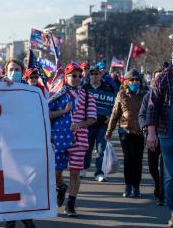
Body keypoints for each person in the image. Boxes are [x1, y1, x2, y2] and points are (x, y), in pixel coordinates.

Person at [49, 62, 97, 217]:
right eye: (73, 75)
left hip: (79, 139)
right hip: (60, 138)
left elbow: (92, 118)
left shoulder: (88, 95)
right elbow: (48, 115)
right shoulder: (58, 94)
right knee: (56, 172)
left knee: (75, 173)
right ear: (66, 77)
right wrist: (63, 111)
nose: (77, 78)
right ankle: (61, 187)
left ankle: (71, 204)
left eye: (79, 75)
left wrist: (79, 125)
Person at [0, 59, 37, 228]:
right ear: (5, 72)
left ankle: (27, 218)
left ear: (22, 72)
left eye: (17, 69)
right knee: (8, 183)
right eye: (10, 69)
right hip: (5, 144)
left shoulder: (32, 91)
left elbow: (40, 115)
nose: (14, 72)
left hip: (26, 143)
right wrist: (1, 88)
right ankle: (10, 223)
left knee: (25, 182)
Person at [146, 63, 173, 228]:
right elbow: (152, 107)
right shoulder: (164, 77)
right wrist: (151, 133)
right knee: (170, 177)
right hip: (168, 133)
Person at [106, 69, 146, 198]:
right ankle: (128, 185)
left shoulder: (145, 94)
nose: (135, 82)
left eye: (137, 80)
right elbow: (114, 114)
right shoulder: (121, 94)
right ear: (126, 81)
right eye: (132, 80)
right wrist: (109, 131)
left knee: (138, 161)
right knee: (129, 159)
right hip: (125, 132)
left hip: (140, 133)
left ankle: (136, 186)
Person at [83, 65, 115, 182]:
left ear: (101, 75)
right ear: (89, 75)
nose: (94, 76)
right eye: (92, 74)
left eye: (97, 74)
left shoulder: (107, 88)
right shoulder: (84, 88)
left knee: (101, 150)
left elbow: (113, 105)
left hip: (102, 124)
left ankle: (99, 173)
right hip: (87, 125)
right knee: (87, 148)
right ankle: (84, 168)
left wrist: (110, 116)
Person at [139, 68, 164, 206]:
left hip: (166, 136)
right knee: (152, 166)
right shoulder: (147, 97)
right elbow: (142, 115)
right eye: (156, 79)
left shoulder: (172, 95)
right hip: (151, 136)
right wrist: (146, 128)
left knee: (165, 166)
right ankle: (157, 183)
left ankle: (162, 193)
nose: (159, 81)